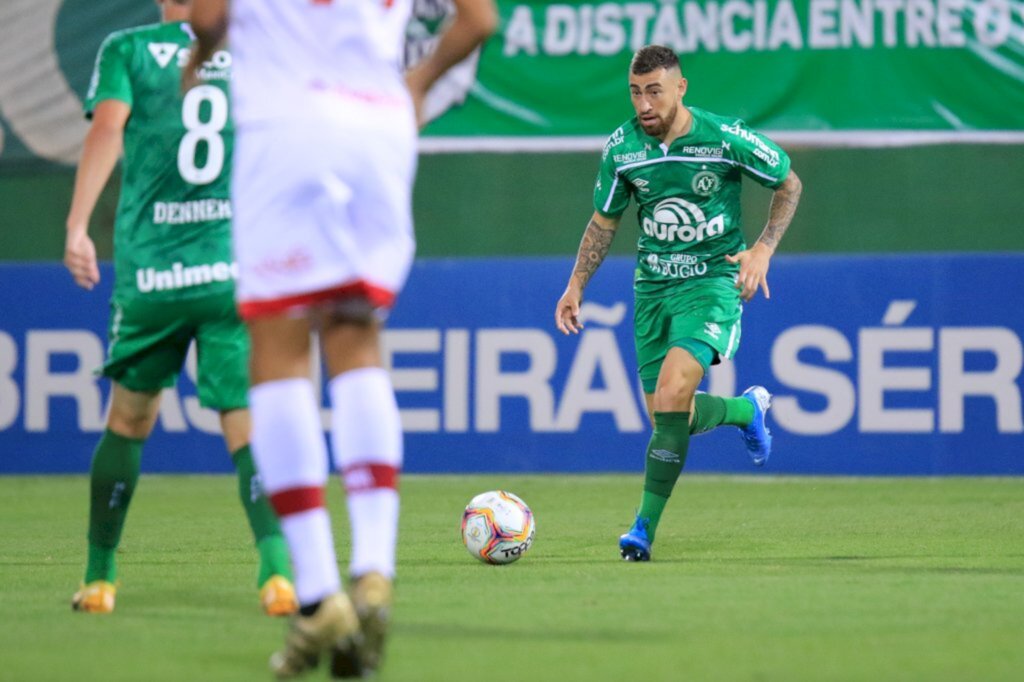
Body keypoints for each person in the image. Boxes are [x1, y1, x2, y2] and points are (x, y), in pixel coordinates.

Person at [187, 0, 496, 676]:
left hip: (287, 124)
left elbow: (207, 17)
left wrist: (196, 60)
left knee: (279, 351)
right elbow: (479, 19)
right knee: (356, 340)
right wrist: (413, 84)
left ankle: (321, 594)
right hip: (378, 127)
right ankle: (375, 572)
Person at [63, 0, 296, 615]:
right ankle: (276, 574)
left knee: (129, 423)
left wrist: (78, 225)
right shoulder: (251, 49)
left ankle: (99, 578)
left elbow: (107, 129)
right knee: (245, 424)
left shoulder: (128, 50)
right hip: (231, 270)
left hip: (152, 275)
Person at [555, 45, 803, 563]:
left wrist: (762, 249)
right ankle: (745, 409)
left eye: (654, 91)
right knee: (671, 416)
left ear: (680, 88)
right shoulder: (622, 148)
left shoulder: (723, 138)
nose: (644, 104)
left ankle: (642, 529)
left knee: (671, 394)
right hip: (652, 293)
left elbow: (788, 181)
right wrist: (576, 285)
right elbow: (604, 222)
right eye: (635, 92)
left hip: (712, 285)